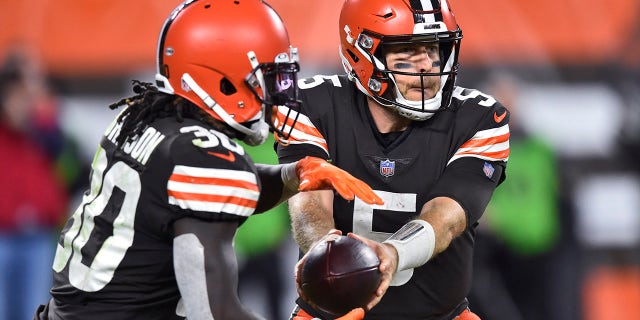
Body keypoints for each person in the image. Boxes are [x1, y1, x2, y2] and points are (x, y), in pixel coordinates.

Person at [33, 1, 382, 319]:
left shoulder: (142, 118)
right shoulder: (200, 158)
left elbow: (192, 190)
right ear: (225, 82)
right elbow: (213, 314)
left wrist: (294, 174)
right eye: (269, 79)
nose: (278, 95)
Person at [276, 0, 510, 319]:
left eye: (433, 48)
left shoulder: (479, 117)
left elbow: (447, 216)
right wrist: (324, 248)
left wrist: (391, 254)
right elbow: (311, 204)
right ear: (362, 55)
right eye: (407, 51)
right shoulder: (312, 105)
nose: (427, 65)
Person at [0, 44, 70, 320]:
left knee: (33, 310)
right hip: (3, 234)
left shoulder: (44, 125)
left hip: (39, 235)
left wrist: (35, 99)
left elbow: (59, 147)